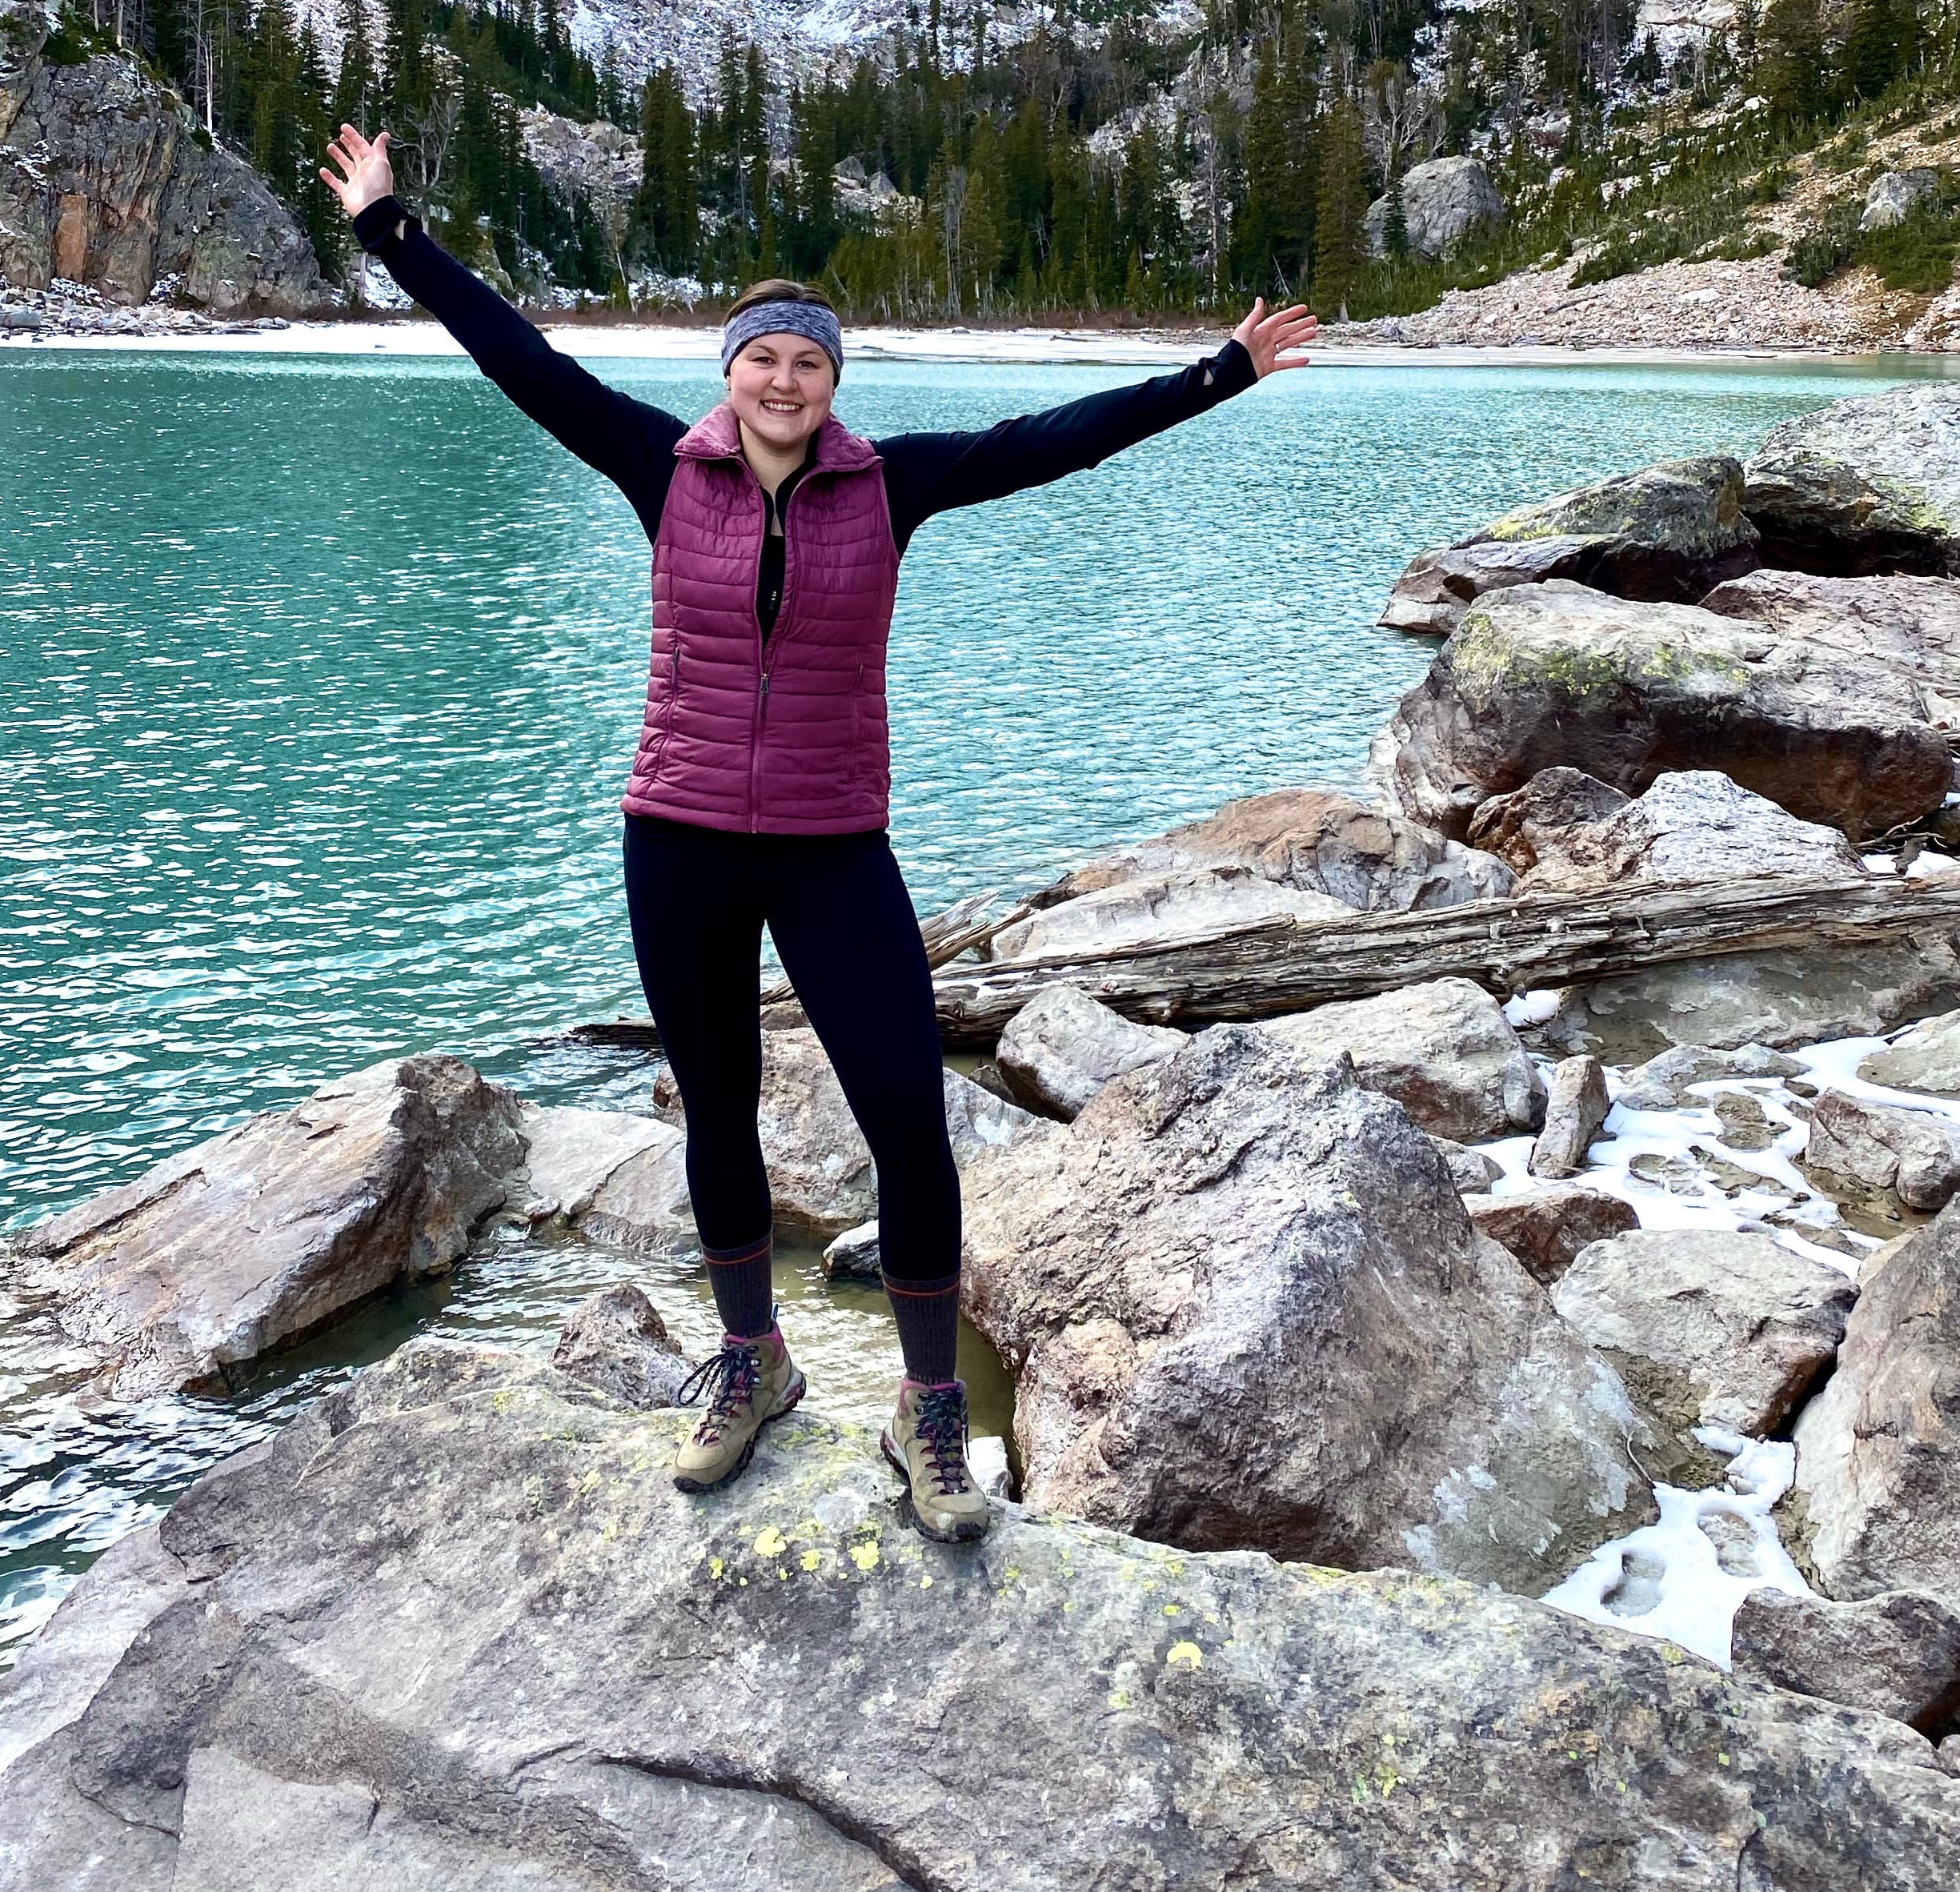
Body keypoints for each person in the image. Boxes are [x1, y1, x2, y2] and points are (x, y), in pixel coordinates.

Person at [320, 120, 1317, 1541]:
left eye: (808, 361)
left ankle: (930, 1412)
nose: (783, 379)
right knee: (717, 1110)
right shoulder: (659, 470)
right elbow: (517, 357)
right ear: (728, 377)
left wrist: (1221, 374)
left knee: (910, 1123)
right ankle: (752, 1361)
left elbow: (1055, 443)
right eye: (761, 358)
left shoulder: (889, 485)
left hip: (835, 843)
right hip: (680, 838)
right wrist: (388, 230)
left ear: (832, 386)